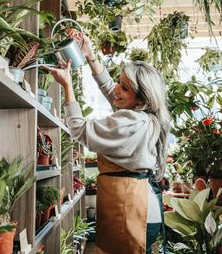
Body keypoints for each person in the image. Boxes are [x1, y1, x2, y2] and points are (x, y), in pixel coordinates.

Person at [44, 35, 171, 254]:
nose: (117, 90)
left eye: (125, 88)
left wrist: (67, 85)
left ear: (141, 99)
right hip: (135, 204)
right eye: (119, 83)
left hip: (130, 209)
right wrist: (90, 56)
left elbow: (79, 130)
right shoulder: (142, 116)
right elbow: (110, 89)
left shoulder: (131, 123)